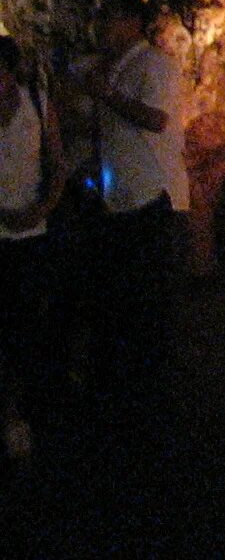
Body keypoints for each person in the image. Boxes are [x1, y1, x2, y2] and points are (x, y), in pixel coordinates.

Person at [68, 0, 186, 416]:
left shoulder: (153, 63)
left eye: (106, 21)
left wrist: (107, 94)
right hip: (122, 201)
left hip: (155, 200)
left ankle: (153, 396)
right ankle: (123, 389)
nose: (100, 30)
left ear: (129, 21)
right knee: (123, 300)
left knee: (149, 302)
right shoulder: (119, 68)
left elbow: (156, 118)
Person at [0, 36, 63, 469]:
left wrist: (43, 207)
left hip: (30, 232)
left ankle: (18, 412)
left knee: (24, 325)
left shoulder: (38, 104)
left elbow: (56, 162)